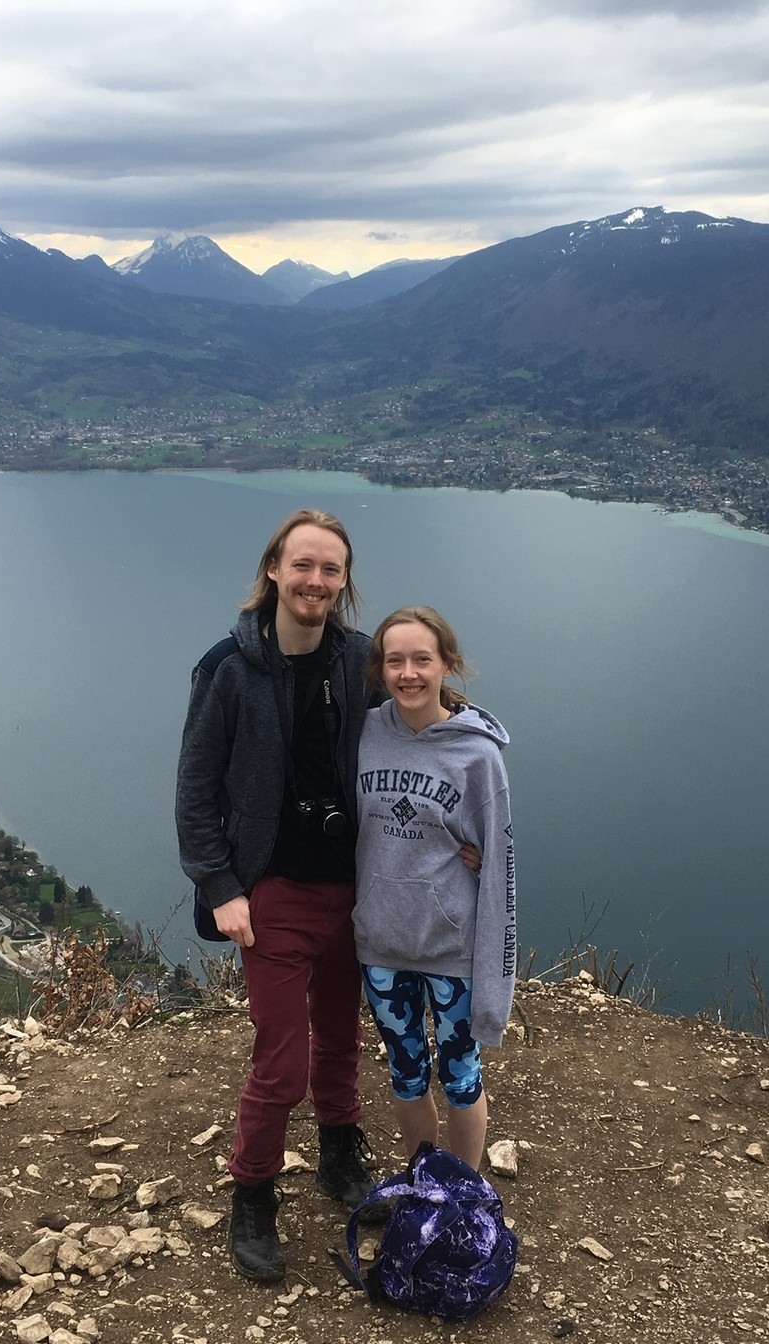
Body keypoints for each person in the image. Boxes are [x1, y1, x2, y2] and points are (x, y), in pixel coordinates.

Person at [175, 509, 380, 1283]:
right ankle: (253, 1190)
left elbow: (419, 733)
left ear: (344, 582)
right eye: (303, 565)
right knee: (282, 1059)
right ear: (273, 570)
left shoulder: (360, 662)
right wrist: (221, 886)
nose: (315, 581)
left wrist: (465, 804)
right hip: (273, 894)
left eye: (331, 569)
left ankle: (338, 1154)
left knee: (342, 1035)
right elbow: (195, 789)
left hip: (353, 890)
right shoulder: (228, 668)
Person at [352, 606, 515, 1172]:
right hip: (382, 943)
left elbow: (500, 864)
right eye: (394, 661)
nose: (408, 673)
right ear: (380, 669)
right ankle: (425, 1186)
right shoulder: (365, 734)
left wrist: (498, 977)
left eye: (422, 659)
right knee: (406, 1074)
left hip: (452, 949)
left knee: (460, 1076)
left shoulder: (478, 755)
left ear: (447, 664)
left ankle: (463, 1195)